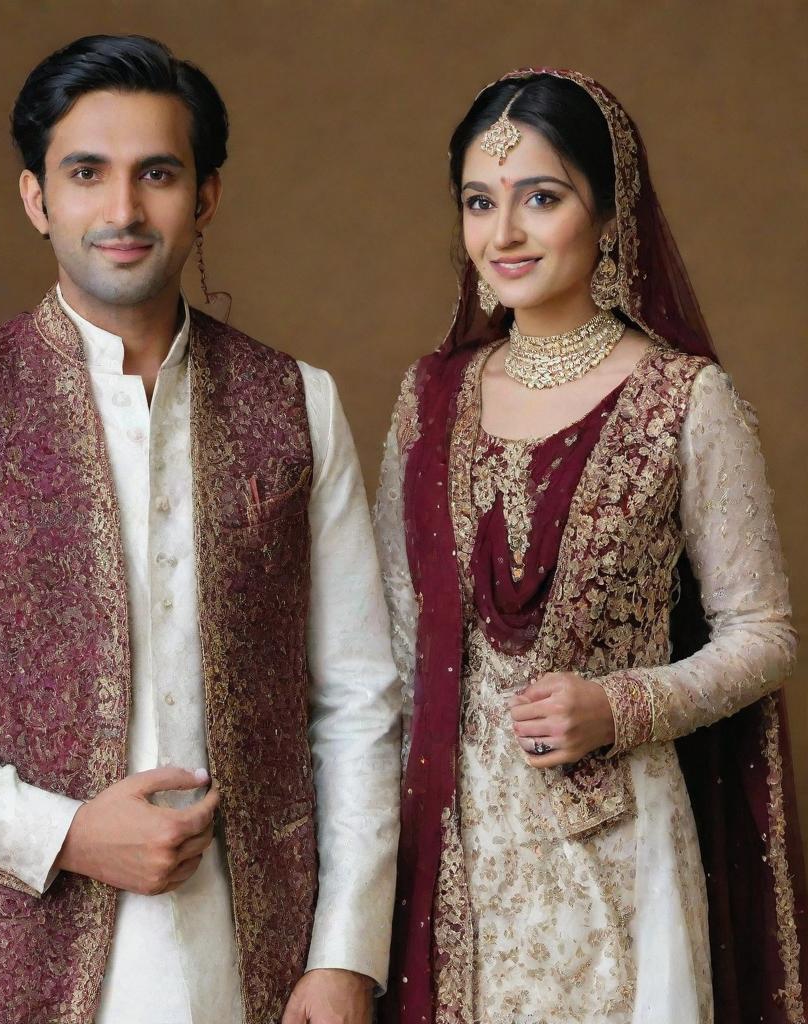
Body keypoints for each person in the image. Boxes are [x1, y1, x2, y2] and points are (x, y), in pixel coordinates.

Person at [0, 34, 400, 1024]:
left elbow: (358, 696)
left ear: (205, 195)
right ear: (37, 198)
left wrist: (346, 953)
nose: (121, 211)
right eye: (86, 174)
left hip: (256, 954)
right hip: (24, 938)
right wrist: (62, 831)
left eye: (156, 175)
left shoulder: (297, 402)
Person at [374, 68, 806, 1024]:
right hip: (446, 854)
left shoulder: (684, 401)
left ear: (612, 214)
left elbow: (765, 631)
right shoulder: (430, 397)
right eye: (480, 203)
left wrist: (622, 704)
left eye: (542, 197)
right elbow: (396, 651)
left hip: (617, 851)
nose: (506, 234)